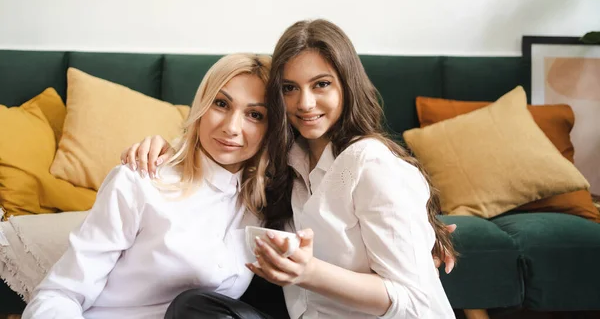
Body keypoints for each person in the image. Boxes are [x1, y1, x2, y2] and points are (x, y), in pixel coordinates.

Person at [126, 19, 457, 319]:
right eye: (290, 88)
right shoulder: (286, 159)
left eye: (321, 84)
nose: (305, 104)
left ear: (347, 85)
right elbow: (222, 153)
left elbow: (415, 302)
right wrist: (169, 151)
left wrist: (309, 273)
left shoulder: (369, 163)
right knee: (194, 305)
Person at [22, 54, 272, 319]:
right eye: (221, 104)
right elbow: (61, 294)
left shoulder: (264, 202)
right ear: (201, 106)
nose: (232, 127)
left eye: (255, 115)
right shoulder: (141, 180)